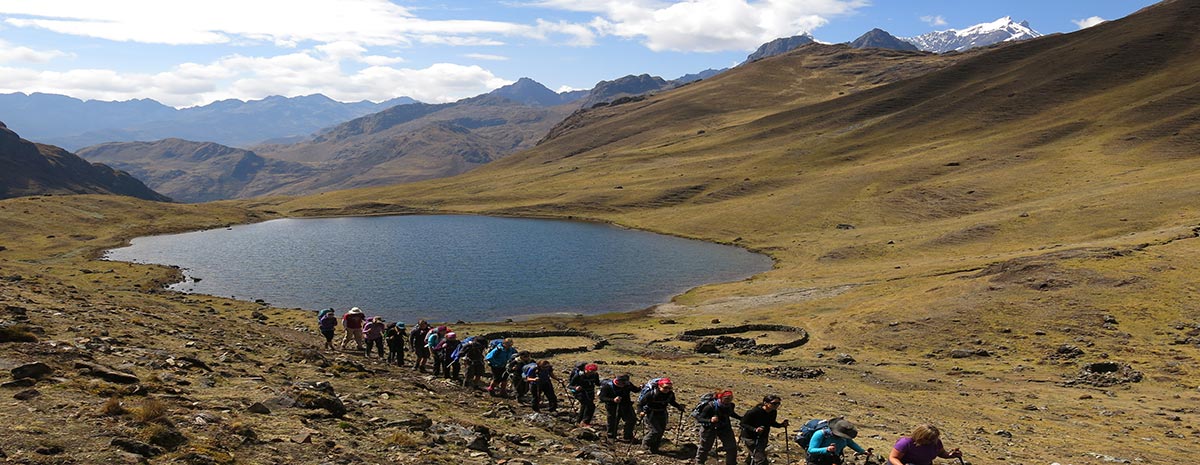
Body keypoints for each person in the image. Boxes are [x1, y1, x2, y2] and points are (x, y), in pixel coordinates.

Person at [637, 377, 685, 453]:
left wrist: (679, 407)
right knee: (655, 431)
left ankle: (654, 449)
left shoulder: (670, 394)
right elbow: (640, 404)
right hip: (651, 413)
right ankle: (645, 443)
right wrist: (640, 412)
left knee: (661, 432)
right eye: (665, 387)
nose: (668, 390)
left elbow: (672, 402)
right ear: (659, 386)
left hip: (662, 413)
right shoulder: (651, 394)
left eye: (670, 388)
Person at [694, 390, 742, 465]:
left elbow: (731, 413)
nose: (728, 400)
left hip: (725, 428)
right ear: (720, 398)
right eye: (726, 398)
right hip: (709, 429)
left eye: (730, 398)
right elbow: (700, 418)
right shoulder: (710, 406)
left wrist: (741, 418)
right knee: (705, 447)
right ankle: (699, 462)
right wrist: (710, 420)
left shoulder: (730, 405)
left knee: (731, 447)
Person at [740, 395, 789, 465]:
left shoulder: (773, 412)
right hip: (750, 437)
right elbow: (743, 423)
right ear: (765, 403)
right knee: (761, 460)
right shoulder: (753, 412)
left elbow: (771, 422)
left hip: (763, 437)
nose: (776, 405)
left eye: (778, 403)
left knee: (755, 456)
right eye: (774, 403)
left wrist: (781, 425)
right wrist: (754, 429)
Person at [888, 424, 961, 465]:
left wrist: (951, 455)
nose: (931, 441)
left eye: (933, 439)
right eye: (928, 439)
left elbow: (941, 453)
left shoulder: (936, 442)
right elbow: (893, 457)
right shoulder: (905, 442)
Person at [599, 374, 638, 442]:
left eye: (625, 383)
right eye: (622, 384)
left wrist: (641, 388)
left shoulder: (627, 384)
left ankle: (628, 436)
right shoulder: (607, 386)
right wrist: (613, 400)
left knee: (631, 419)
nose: (624, 385)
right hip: (612, 406)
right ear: (617, 381)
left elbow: (635, 390)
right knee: (613, 421)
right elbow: (602, 397)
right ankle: (611, 436)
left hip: (626, 405)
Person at [569, 363, 600, 427]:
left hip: (590, 392)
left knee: (585, 406)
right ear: (586, 370)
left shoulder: (595, 375)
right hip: (580, 392)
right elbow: (570, 385)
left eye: (594, 371)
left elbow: (597, 383)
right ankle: (585, 422)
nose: (592, 373)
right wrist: (576, 388)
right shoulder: (578, 375)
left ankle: (579, 421)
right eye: (590, 371)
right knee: (590, 405)